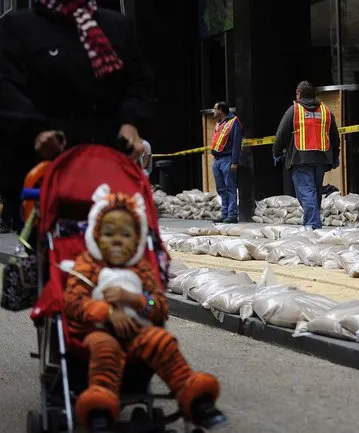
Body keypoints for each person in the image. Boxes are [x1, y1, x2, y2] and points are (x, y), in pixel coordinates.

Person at [64, 184, 221, 432]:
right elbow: (74, 302)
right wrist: (107, 311)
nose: (117, 239)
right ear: (95, 235)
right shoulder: (87, 265)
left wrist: (137, 300)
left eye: (126, 234)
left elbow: (158, 305)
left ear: (137, 239)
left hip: (138, 332)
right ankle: (100, 411)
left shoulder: (141, 268)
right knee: (106, 348)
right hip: (97, 333)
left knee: (162, 340)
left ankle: (196, 399)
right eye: (108, 233)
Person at [0, 0, 156, 232]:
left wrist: (130, 123)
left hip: (108, 163)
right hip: (46, 169)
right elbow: (6, 89)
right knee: (56, 253)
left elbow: (139, 84)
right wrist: (36, 132)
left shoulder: (116, 27)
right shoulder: (20, 27)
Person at [273, 81, 340, 229]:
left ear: (299, 94)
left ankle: (312, 224)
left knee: (306, 192)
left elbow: (281, 133)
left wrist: (276, 152)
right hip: (321, 158)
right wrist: (335, 156)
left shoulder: (294, 110)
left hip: (300, 157)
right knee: (314, 192)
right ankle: (314, 221)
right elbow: (335, 135)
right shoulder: (325, 111)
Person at [210, 101, 242, 224]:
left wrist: (234, 161)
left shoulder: (234, 122)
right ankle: (224, 213)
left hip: (227, 159)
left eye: (215, 109)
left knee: (230, 188)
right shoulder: (219, 123)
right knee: (221, 189)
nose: (213, 111)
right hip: (217, 160)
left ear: (221, 110)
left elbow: (236, 144)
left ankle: (232, 214)